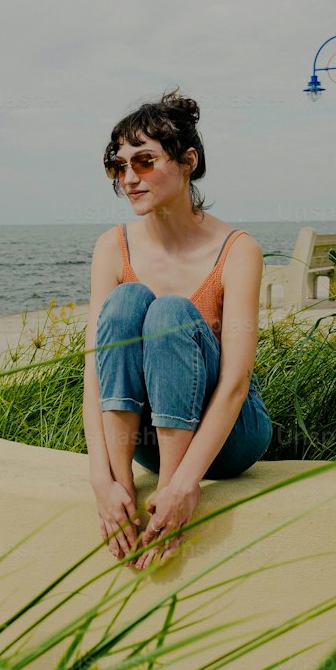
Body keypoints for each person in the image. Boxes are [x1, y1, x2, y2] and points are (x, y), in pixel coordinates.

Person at [82, 88, 274, 573]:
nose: (129, 178)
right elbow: (95, 370)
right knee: (128, 302)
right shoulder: (112, 246)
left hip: (231, 435)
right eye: (118, 166)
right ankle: (133, 482)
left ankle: (168, 488)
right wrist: (104, 482)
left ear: (188, 160)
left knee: (169, 311)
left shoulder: (237, 248)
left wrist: (180, 489)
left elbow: (235, 383)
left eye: (144, 161)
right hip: (147, 432)